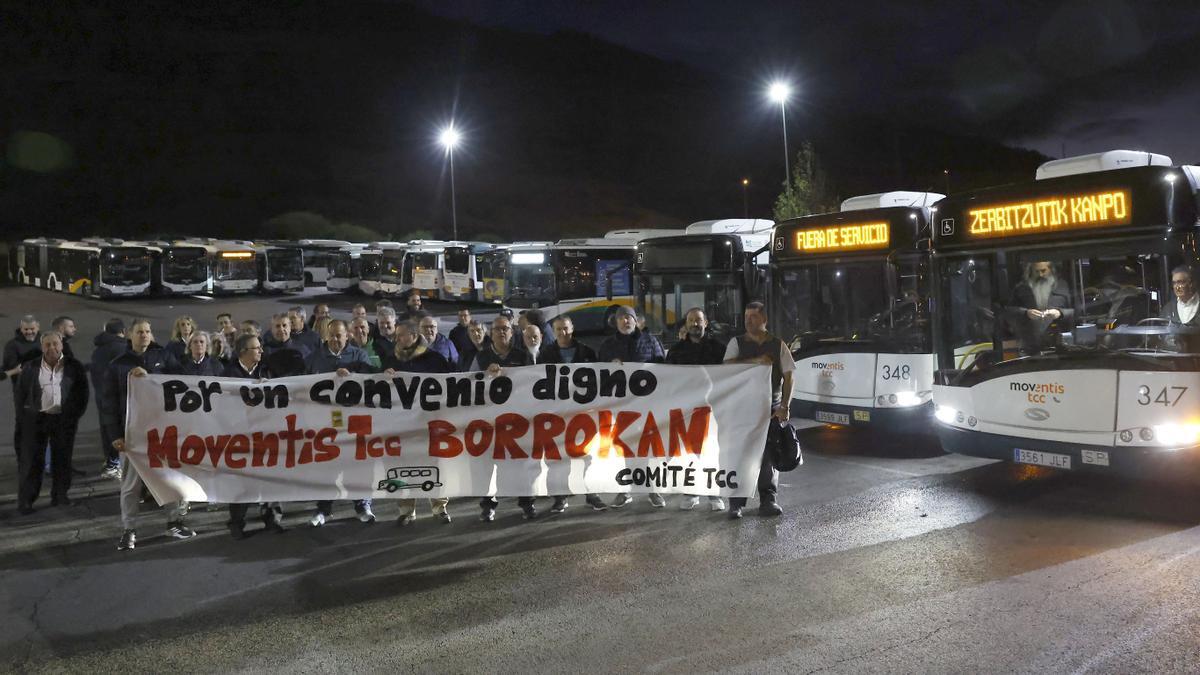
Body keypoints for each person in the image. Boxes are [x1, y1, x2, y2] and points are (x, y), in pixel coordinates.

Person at [105, 319, 193, 550]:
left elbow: (184, 382)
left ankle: (174, 522)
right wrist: (115, 434)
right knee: (130, 486)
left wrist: (152, 374)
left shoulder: (163, 357)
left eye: (147, 331)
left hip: (162, 432)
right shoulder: (117, 364)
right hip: (132, 436)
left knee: (170, 479)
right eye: (139, 332)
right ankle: (129, 530)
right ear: (130, 336)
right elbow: (108, 403)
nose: (144, 335)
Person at [723, 301, 794, 519]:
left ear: (764, 320)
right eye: (746, 316)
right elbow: (727, 367)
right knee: (739, 454)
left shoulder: (778, 344)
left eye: (753, 316)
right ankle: (736, 502)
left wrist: (785, 406)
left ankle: (768, 499)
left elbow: (789, 376)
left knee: (768, 455)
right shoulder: (736, 343)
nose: (748, 320)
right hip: (741, 406)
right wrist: (756, 361)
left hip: (769, 407)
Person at [381, 320, 453, 525]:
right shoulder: (391, 359)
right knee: (402, 464)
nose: (397, 338)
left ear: (413, 335)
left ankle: (440, 507)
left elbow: (449, 386)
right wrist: (383, 377)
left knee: (434, 463)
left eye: (401, 334)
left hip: (429, 422)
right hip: (401, 424)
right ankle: (406, 509)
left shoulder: (434, 359)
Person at [306, 320, 375, 526]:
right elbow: (299, 383)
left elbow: (372, 381)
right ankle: (323, 508)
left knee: (359, 463)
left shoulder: (359, 356)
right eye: (332, 336)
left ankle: (362, 505)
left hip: (356, 420)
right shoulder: (314, 358)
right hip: (325, 421)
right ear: (326, 336)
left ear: (347, 336)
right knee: (326, 465)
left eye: (340, 335)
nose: (336, 340)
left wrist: (354, 376)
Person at [599, 306, 666, 509]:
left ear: (636, 321)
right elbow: (598, 372)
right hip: (620, 408)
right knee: (624, 449)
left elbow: (663, 369)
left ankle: (652, 489)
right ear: (616, 323)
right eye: (621, 318)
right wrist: (609, 365)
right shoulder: (607, 346)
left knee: (648, 449)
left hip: (647, 406)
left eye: (629, 317)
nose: (625, 321)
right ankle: (625, 489)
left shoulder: (651, 341)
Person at [471, 316, 537, 521]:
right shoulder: (481, 358)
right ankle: (488, 506)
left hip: (517, 421)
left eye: (506, 329)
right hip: (489, 422)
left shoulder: (522, 355)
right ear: (491, 334)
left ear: (512, 332)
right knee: (488, 466)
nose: (502, 332)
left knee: (521, 464)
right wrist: (484, 376)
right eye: (497, 329)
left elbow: (533, 384)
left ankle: (527, 504)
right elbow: (468, 384)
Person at [15, 332, 89, 514]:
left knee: (62, 459)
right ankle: (26, 501)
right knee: (32, 461)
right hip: (36, 420)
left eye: (55, 344)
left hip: (63, 420)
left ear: (61, 345)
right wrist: (24, 419)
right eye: (47, 345)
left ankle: (60, 496)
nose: (52, 348)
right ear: (42, 347)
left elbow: (82, 394)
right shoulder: (31, 367)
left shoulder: (74, 367)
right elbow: (20, 395)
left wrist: (73, 416)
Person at [222, 333, 287, 538]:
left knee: (271, 476)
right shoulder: (228, 374)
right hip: (239, 435)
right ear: (243, 352)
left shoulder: (267, 370)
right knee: (241, 480)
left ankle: (272, 518)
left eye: (260, 347)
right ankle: (236, 523)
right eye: (256, 348)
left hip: (267, 433)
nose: (260, 351)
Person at [540, 316, 606, 514]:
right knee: (557, 458)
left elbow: (598, 380)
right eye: (558, 329)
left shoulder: (587, 351)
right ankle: (560, 497)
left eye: (566, 328)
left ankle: (591, 494)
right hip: (556, 415)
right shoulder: (546, 354)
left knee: (587, 456)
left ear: (572, 328)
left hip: (583, 414)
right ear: (553, 331)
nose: (563, 333)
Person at [666, 308, 728, 512]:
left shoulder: (719, 348)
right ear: (686, 324)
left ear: (706, 323)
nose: (695, 324)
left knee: (712, 452)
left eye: (698, 320)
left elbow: (732, 373)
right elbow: (666, 379)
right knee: (688, 453)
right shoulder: (676, 351)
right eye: (691, 320)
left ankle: (714, 494)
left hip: (713, 409)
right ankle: (691, 492)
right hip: (687, 411)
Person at [1008, 261, 1073, 355]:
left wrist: (1060, 313)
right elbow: (1009, 312)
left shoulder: (1063, 286)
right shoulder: (1021, 288)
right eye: (1036, 271)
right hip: (1030, 348)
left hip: (1062, 347)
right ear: (1030, 272)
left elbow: (1078, 312)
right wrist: (1026, 313)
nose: (1040, 275)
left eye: (1043, 271)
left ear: (1051, 270)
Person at [90, 318, 127, 479]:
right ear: (123, 331)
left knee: (107, 429)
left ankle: (111, 463)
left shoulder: (98, 350)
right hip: (117, 397)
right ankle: (114, 464)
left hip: (101, 395)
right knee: (119, 430)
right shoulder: (122, 348)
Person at [4, 315, 43, 456]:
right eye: (26, 329)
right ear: (21, 328)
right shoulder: (12, 346)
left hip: (45, 392)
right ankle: (23, 459)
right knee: (23, 426)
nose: (29, 332)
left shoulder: (44, 341)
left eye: (32, 329)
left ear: (37, 327)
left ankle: (44, 461)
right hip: (23, 394)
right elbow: (9, 369)